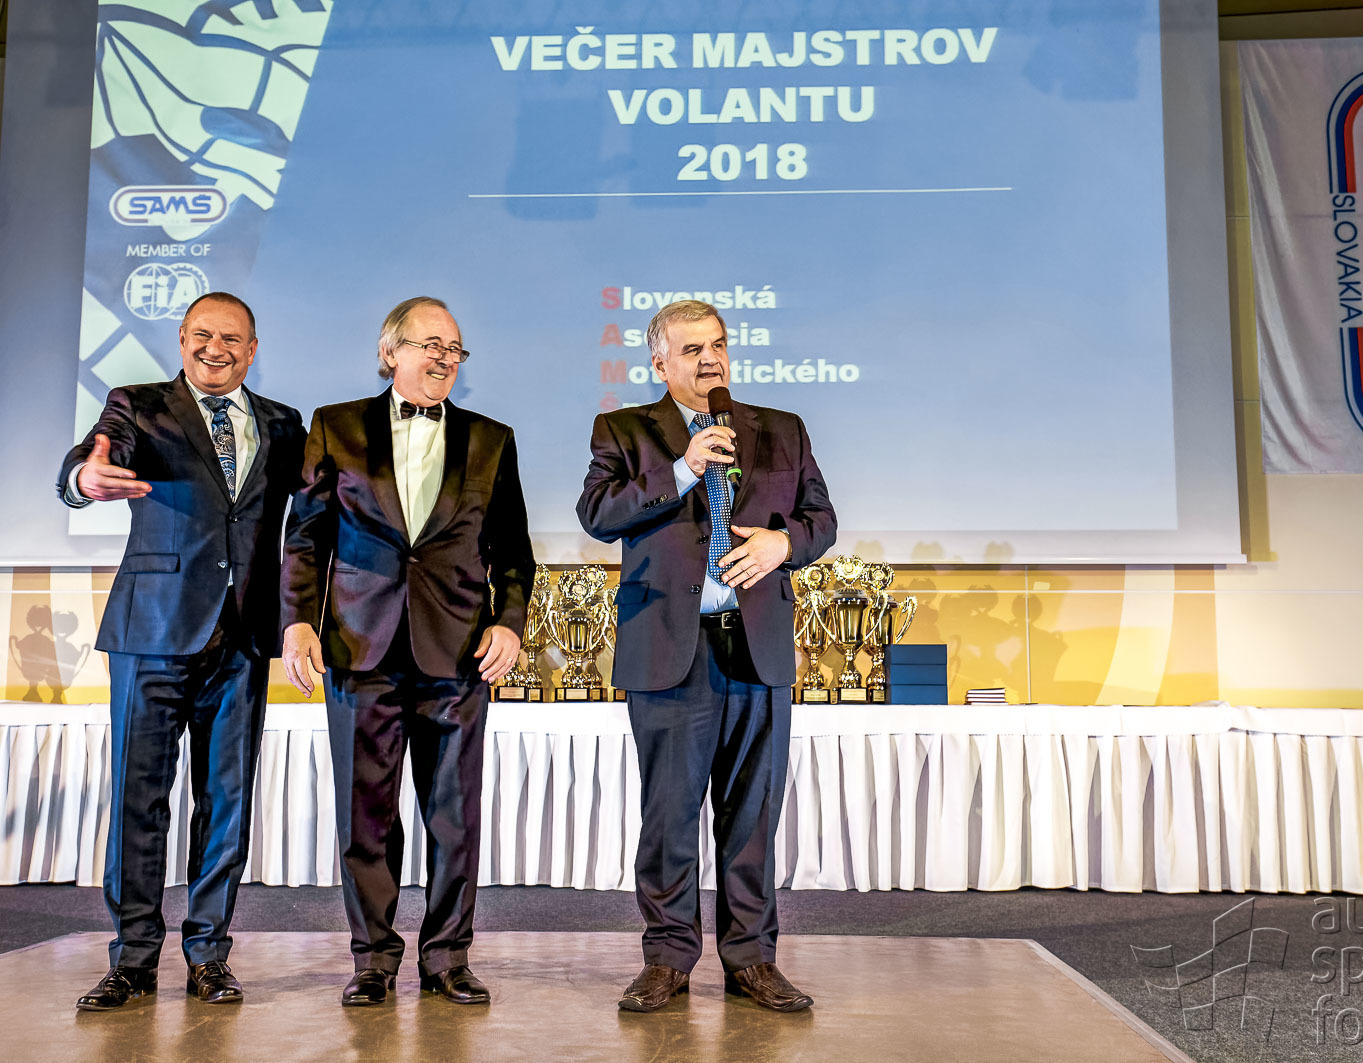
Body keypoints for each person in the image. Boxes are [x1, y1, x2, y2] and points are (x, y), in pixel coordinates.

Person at [576, 299, 837, 1012]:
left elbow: (820, 518)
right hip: (671, 648)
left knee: (752, 817)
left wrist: (784, 543)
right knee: (669, 816)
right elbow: (598, 515)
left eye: (717, 344)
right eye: (691, 349)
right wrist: (683, 468)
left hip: (755, 647)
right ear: (659, 363)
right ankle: (667, 958)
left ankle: (751, 959)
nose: (710, 359)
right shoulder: (625, 430)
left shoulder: (780, 428)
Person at [281, 296, 535, 1007]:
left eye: (455, 348)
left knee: (454, 818)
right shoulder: (335, 426)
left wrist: (509, 623)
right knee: (366, 817)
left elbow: (513, 551)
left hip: (458, 654)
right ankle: (372, 958)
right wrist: (297, 622)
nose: (445, 358)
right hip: (360, 649)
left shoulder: (491, 439)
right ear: (390, 351)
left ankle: (448, 956)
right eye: (431, 344)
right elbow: (306, 538)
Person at [57, 291, 304, 1009]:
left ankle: (208, 954)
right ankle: (133, 958)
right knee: (139, 799)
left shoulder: (284, 423)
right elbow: (97, 453)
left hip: (243, 635)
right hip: (152, 631)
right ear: (182, 337)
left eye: (231, 338)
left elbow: (312, 514)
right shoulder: (138, 404)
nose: (214, 348)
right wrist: (82, 478)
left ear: (252, 349)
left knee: (226, 801)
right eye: (202, 334)